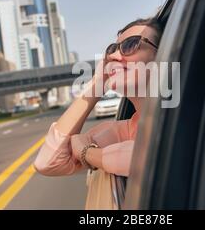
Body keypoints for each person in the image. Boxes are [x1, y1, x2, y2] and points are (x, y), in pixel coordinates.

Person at [33, 16, 162, 179]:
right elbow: (47, 163)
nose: (113, 56)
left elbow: (155, 157)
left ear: (161, 56)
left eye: (130, 45)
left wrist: (87, 153)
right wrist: (97, 82)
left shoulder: (185, 116)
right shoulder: (124, 130)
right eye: (112, 49)